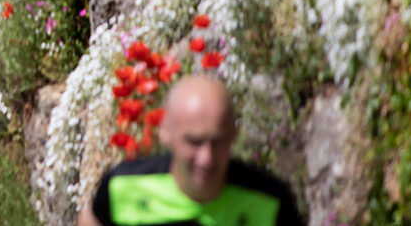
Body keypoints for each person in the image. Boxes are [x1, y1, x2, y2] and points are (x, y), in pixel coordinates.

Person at [79, 75, 302, 226]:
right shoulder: (123, 188)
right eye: (194, 142)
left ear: (234, 134)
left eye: (217, 141)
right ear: (165, 132)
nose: (206, 158)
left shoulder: (269, 203)